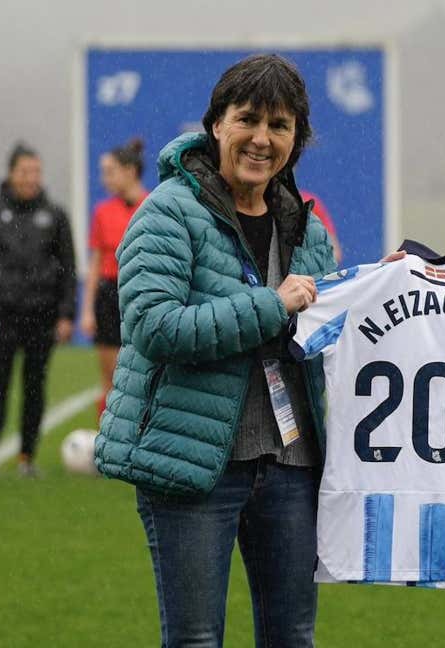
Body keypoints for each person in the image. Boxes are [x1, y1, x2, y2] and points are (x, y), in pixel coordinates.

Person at [92, 54, 336, 647]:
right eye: (247, 119)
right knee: (197, 640)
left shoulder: (308, 229)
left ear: (297, 138)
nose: (262, 139)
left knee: (293, 638)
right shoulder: (168, 211)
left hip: (291, 468)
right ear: (216, 125)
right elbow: (155, 327)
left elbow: (327, 329)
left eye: (280, 126)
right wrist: (271, 306)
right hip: (194, 465)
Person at [0, 143, 76, 478]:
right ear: (11, 173)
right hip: (1, 315)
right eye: (25, 171)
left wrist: (66, 313)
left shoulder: (55, 215)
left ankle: (27, 457)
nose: (31, 178)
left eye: (36, 171)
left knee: (34, 387)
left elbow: (68, 267)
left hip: (41, 315)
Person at [80, 138, 147, 423]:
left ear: (130, 171)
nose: (105, 178)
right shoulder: (102, 212)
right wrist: (87, 309)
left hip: (144, 292)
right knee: (110, 377)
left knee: (145, 376)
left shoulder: (153, 204)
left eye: (110, 171)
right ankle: (107, 443)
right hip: (110, 294)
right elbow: (95, 263)